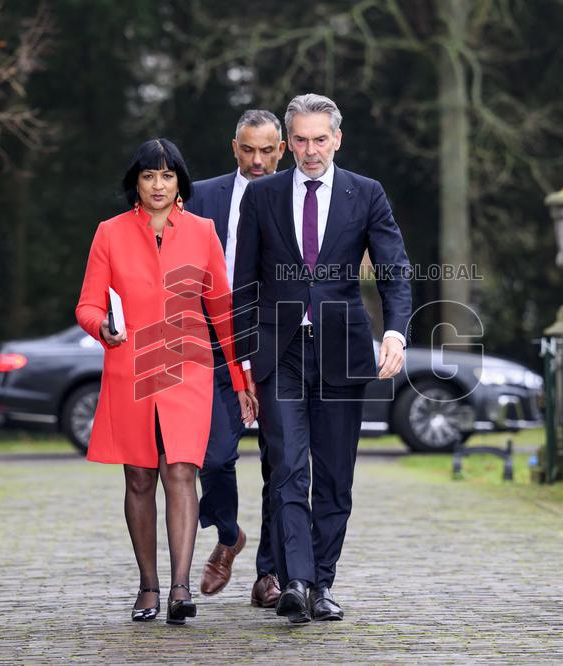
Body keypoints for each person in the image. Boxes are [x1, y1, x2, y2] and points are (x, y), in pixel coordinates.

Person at [232, 93, 412, 623]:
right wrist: (243, 360)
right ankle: (297, 582)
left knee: (334, 476)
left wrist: (396, 333)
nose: (311, 151)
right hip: (279, 350)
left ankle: (322, 581)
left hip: (343, 350)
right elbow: (242, 284)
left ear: (337, 139)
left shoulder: (366, 194)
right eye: (302, 141)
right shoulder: (262, 197)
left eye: (320, 139)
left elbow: (395, 270)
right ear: (288, 143)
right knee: (287, 468)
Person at [75, 138, 256, 626]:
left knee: (181, 471)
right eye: (149, 176)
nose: (158, 185)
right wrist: (101, 328)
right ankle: (147, 586)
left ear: (181, 183)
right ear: (136, 182)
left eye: (167, 176)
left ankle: (179, 587)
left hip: (188, 368)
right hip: (129, 368)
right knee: (139, 476)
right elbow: (88, 304)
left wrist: (240, 377)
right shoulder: (109, 233)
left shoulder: (202, 231)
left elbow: (222, 311)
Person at [185, 110, 286, 607]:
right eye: (248, 149)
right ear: (234, 147)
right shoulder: (201, 197)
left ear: (282, 150)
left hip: (271, 344)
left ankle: (268, 574)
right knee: (214, 456)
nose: (258, 160)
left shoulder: (297, 198)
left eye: (267, 150)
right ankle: (228, 533)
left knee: (279, 462)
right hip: (209, 346)